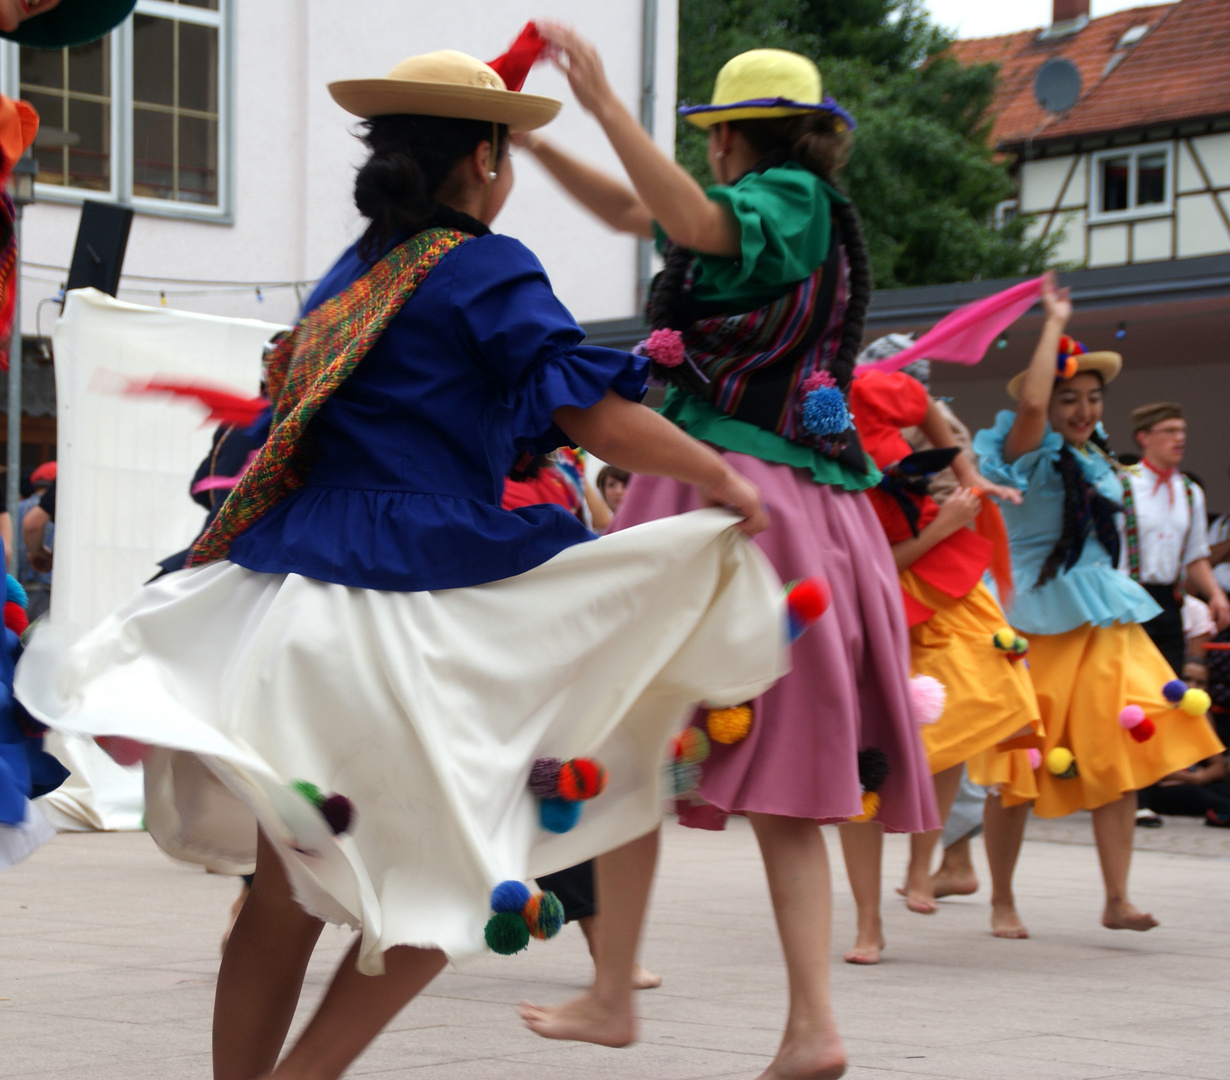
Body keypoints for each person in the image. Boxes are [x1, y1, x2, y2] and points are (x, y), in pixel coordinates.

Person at [15, 45, 789, 1080]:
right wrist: (722, 480)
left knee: (282, 894)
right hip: (405, 613)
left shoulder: (356, 274)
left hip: (288, 607)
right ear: (485, 158)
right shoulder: (482, 265)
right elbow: (588, 411)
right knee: (460, 884)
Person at [517, 30, 937, 1074]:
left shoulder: (785, 199)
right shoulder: (776, 213)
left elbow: (691, 215)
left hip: (742, 497)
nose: (707, 155)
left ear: (746, 139)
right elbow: (635, 211)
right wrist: (529, 145)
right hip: (786, 501)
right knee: (676, 756)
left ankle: (709, 1008)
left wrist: (607, 104)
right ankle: (745, 1016)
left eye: (714, 135)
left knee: (636, 736)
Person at [968, 276, 1224, 935]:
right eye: (1068, 399)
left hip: (1105, 614)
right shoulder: (1022, 453)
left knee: (1121, 751)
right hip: (1035, 620)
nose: (1081, 410)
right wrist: (1052, 323)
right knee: (1017, 768)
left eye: (1091, 398)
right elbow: (1029, 405)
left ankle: (1117, 899)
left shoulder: (1096, 453)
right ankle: (1001, 901)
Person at [844, 358, 1043, 935]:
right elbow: (869, 568)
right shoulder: (795, 423)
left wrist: (970, 476)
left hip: (941, 579)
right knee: (865, 761)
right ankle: (867, 923)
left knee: (958, 719)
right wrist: (944, 526)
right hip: (878, 594)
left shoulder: (867, 386)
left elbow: (928, 409)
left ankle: (921, 866)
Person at [1119, 402, 1230, 674]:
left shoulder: (1190, 492)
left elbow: (1195, 555)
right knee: (1129, 686)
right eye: (1169, 431)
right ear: (1143, 437)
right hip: (1127, 598)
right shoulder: (1122, 485)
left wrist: (1215, 594)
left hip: (1169, 600)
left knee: (1168, 686)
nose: (1179, 438)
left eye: (1181, 431)